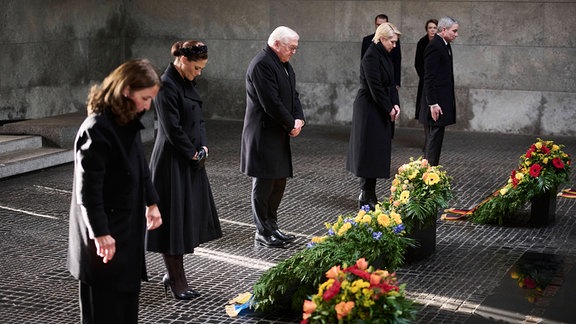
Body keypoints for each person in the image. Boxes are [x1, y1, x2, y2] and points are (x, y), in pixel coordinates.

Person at [68, 59, 163, 324]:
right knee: (104, 310)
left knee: (125, 306)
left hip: (124, 230)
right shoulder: (97, 128)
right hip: (104, 237)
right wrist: (100, 234)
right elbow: (88, 192)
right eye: (145, 98)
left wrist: (151, 202)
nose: (147, 106)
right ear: (126, 90)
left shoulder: (126, 120)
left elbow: (139, 163)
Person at [146, 40, 222, 300]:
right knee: (173, 224)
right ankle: (176, 279)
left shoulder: (186, 82)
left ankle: (174, 276)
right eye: (197, 68)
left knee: (185, 219)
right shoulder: (166, 85)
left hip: (190, 160)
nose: (199, 72)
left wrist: (203, 147)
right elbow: (171, 129)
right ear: (183, 60)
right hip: (171, 163)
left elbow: (198, 119)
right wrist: (192, 152)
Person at [240, 26, 305, 248]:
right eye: (291, 48)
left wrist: (299, 119)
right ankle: (262, 231)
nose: (294, 52)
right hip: (263, 134)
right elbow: (271, 102)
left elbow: (293, 95)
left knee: (278, 182)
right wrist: (290, 123)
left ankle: (272, 225)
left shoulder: (283, 64)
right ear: (277, 44)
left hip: (278, 132)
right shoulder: (261, 64)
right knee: (264, 183)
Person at [347, 22, 402, 210]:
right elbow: (375, 87)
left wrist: (395, 104)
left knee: (376, 151)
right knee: (369, 151)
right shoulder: (371, 56)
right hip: (369, 108)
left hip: (381, 106)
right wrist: (389, 108)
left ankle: (370, 193)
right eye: (392, 42)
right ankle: (366, 194)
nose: (394, 46)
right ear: (382, 38)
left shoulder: (386, 54)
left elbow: (391, 84)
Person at [418, 16, 459, 166]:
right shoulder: (434, 46)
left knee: (436, 138)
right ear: (444, 30)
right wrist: (433, 103)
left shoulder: (445, 44)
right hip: (435, 103)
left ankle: (430, 172)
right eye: (454, 31)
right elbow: (429, 77)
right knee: (433, 139)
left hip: (440, 101)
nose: (456, 34)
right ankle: (428, 174)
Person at [414, 19, 438, 152]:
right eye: (430, 27)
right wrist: (426, 77)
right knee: (425, 111)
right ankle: (427, 140)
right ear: (426, 29)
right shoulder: (422, 43)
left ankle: (432, 140)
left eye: (435, 27)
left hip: (436, 83)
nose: (433, 30)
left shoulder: (439, 43)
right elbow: (417, 63)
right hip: (425, 82)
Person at [361, 14, 402, 88]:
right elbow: (363, 62)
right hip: (372, 81)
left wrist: (397, 82)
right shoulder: (367, 41)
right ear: (375, 24)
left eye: (383, 25)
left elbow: (397, 61)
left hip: (389, 80)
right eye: (378, 25)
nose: (380, 27)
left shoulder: (394, 41)